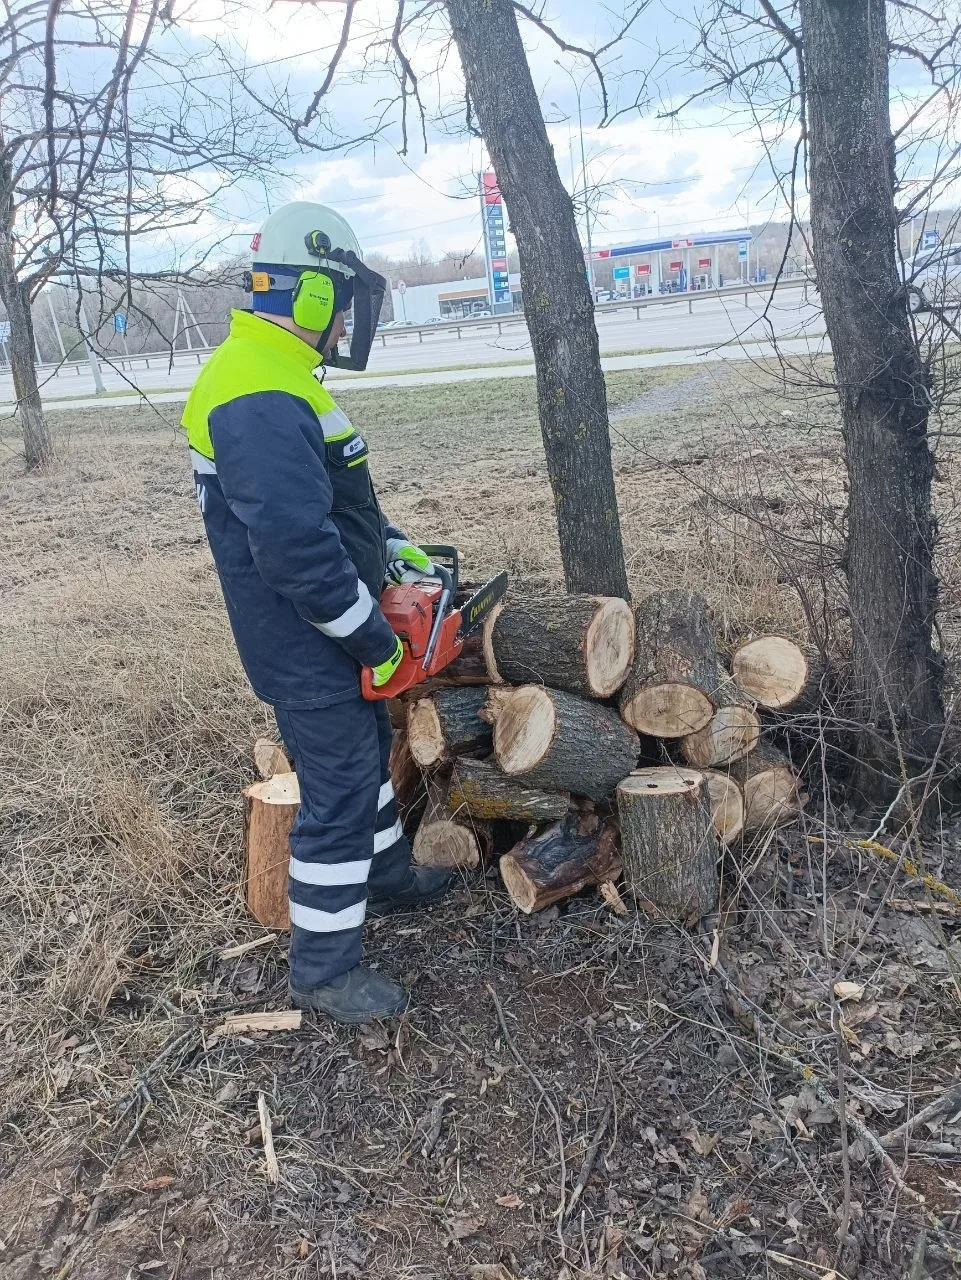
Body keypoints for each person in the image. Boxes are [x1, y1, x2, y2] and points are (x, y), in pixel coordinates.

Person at [181, 201, 453, 1023]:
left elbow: (330, 509)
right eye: (340, 299)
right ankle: (325, 971)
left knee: (367, 752)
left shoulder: (273, 372)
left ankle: (387, 877)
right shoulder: (258, 392)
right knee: (336, 794)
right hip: (304, 638)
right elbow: (294, 550)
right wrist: (372, 639)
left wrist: (392, 549)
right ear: (308, 296)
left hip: (316, 628)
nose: (344, 320)